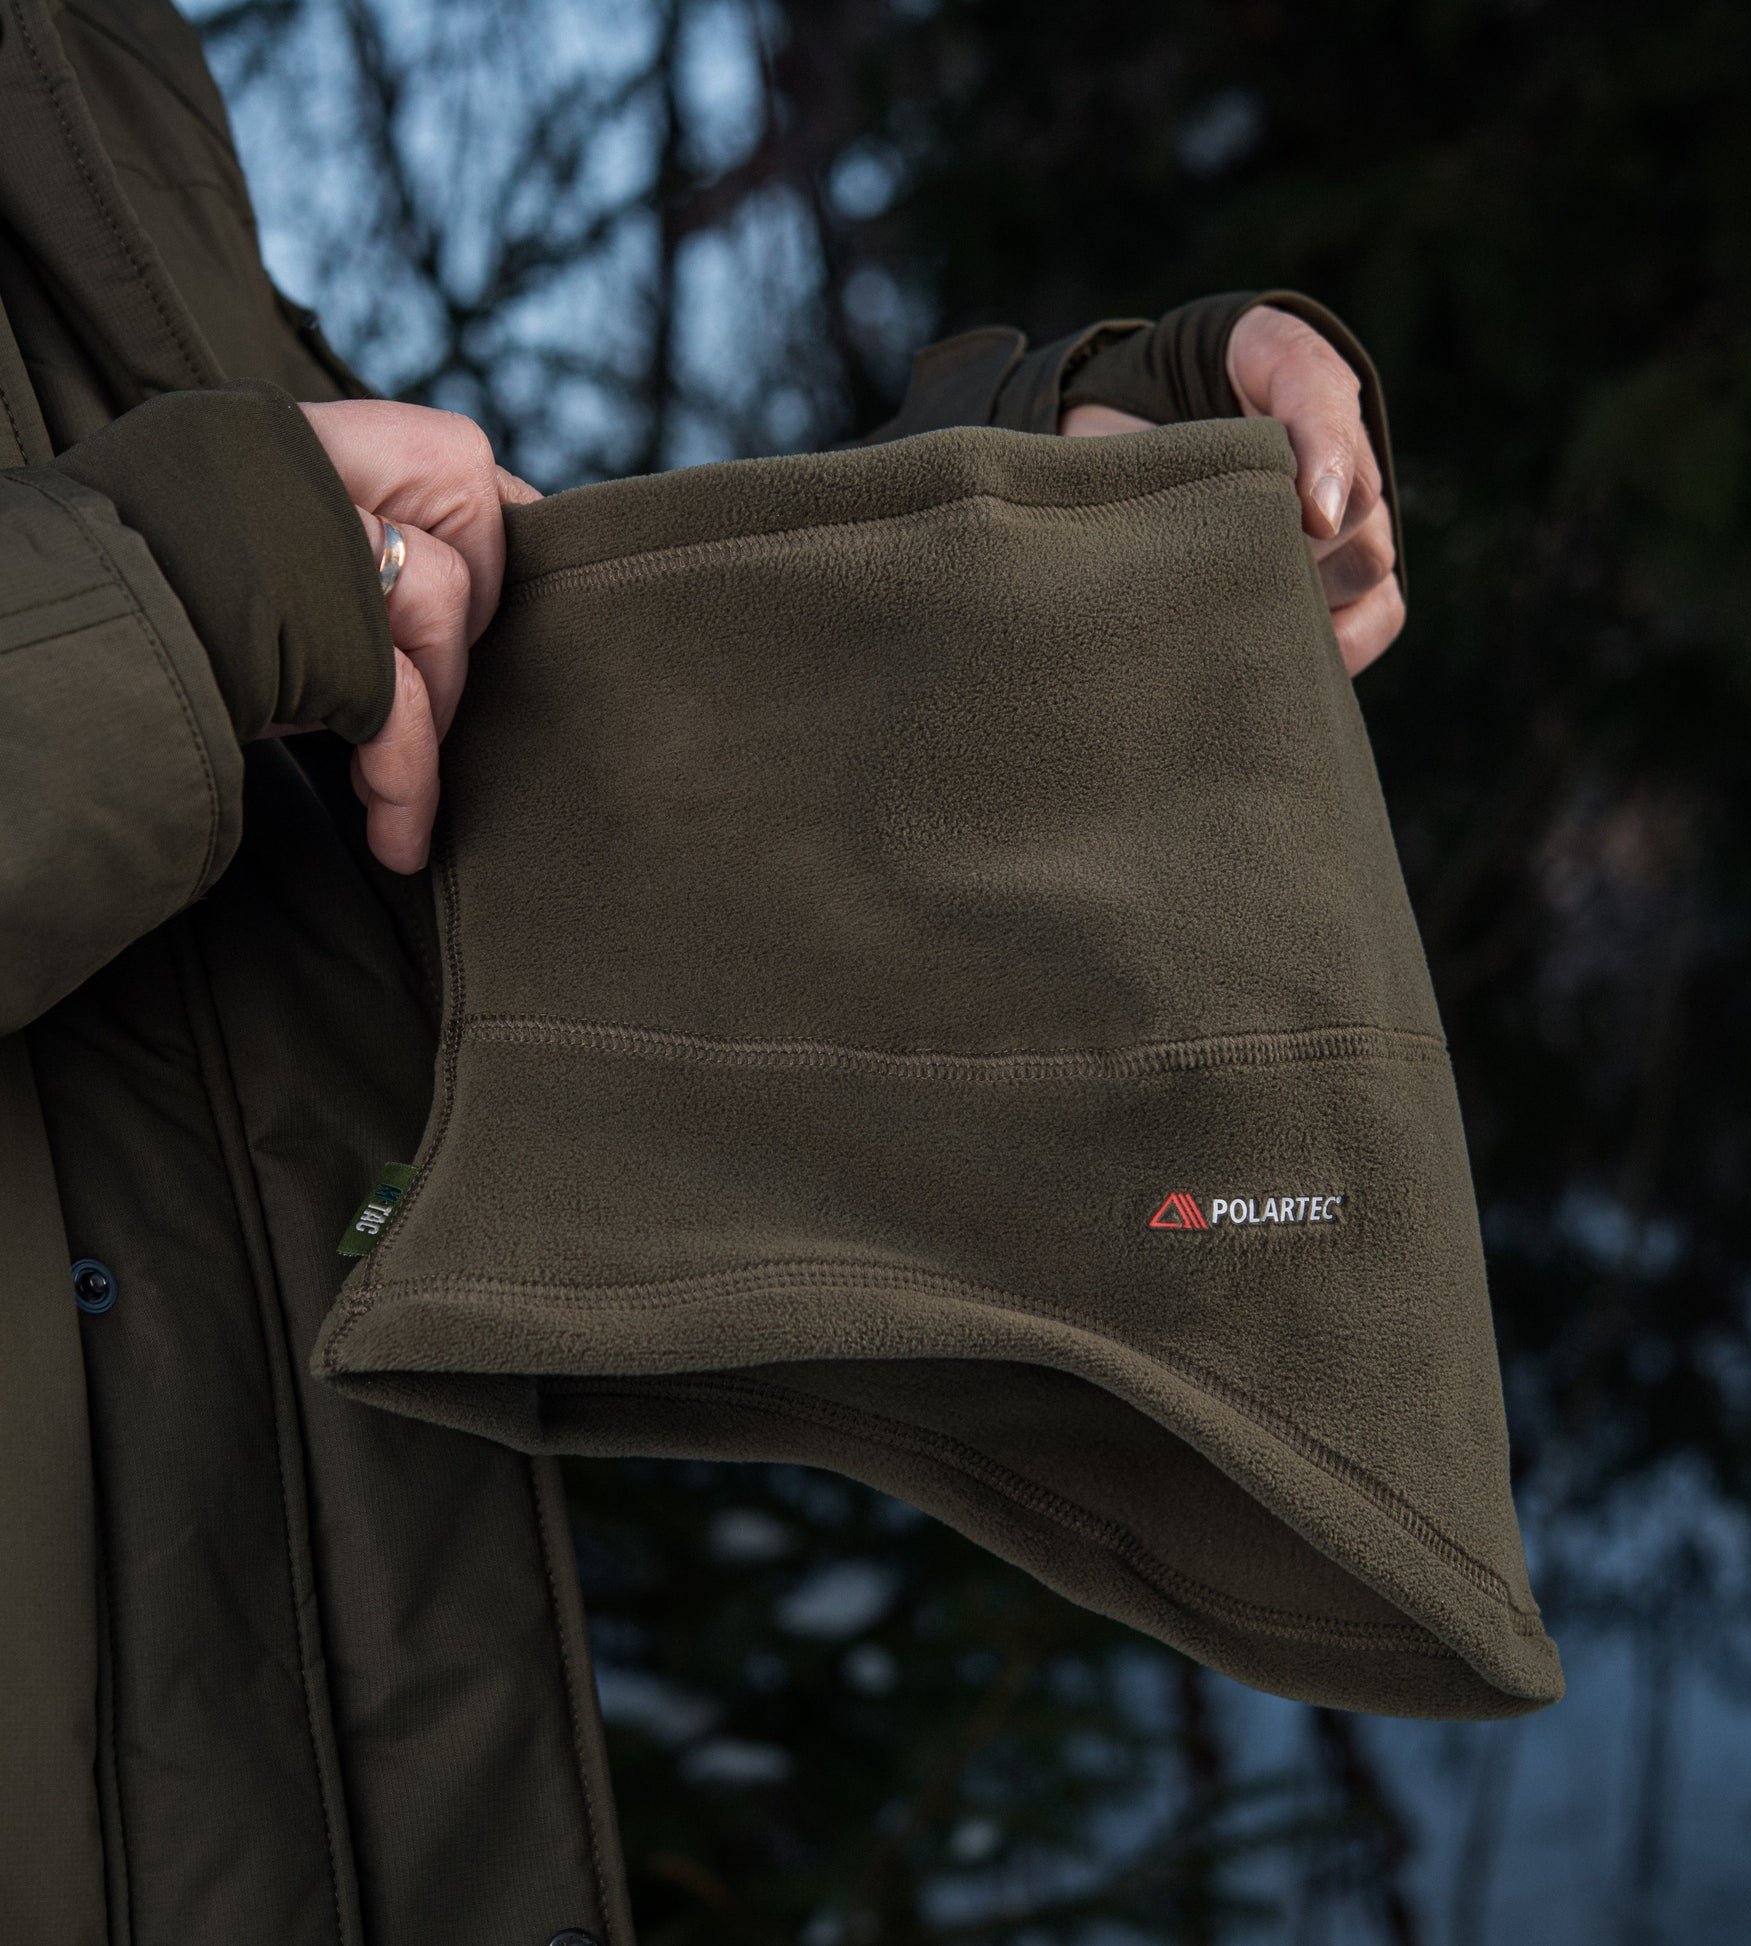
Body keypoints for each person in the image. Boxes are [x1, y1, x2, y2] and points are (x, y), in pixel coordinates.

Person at [0, 1, 1404, 1937]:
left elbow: (445, 749)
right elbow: (219, 599)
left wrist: (1058, 548)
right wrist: (173, 590)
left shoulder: (84, 59)